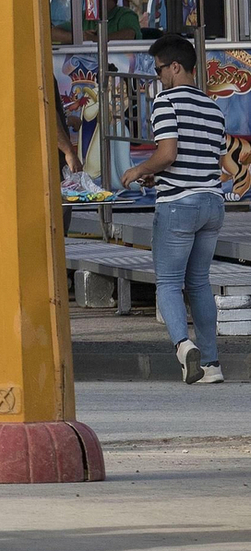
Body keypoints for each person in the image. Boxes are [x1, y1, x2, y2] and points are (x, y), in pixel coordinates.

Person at [120, 34, 230, 385]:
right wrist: (157, 175)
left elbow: (168, 153)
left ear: (176, 67)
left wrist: (139, 170)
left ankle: (184, 348)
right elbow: (214, 161)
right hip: (212, 203)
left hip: (178, 206)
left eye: (159, 70)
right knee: (199, 283)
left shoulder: (166, 101)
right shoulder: (214, 108)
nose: (158, 77)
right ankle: (212, 365)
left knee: (168, 283)